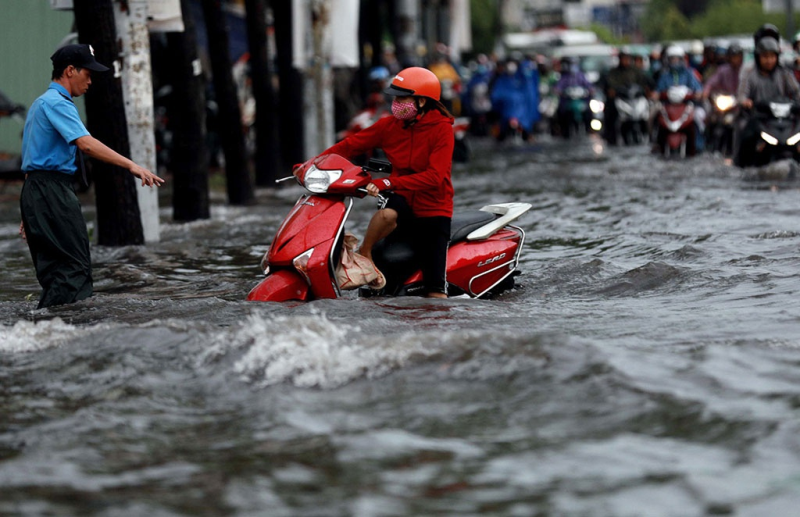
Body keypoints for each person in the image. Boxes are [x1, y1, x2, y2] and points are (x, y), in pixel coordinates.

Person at [19, 44, 164, 308]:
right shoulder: (58, 103)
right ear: (70, 71)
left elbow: (32, 160)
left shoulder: (40, 103)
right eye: (87, 72)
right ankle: (62, 330)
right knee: (73, 269)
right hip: (52, 192)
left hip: (37, 193)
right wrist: (132, 165)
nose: (90, 80)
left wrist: (29, 211)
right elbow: (85, 143)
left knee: (56, 270)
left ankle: (47, 325)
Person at [296, 67, 454, 298]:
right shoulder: (389, 126)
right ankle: (365, 252)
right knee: (386, 215)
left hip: (434, 206)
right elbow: (349, 145)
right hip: (402, 196)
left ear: (421, 101)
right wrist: (311, 164)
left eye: (402, 98)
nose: (396, 103)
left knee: (436, 292)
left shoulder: (442, 130)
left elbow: (435, 176)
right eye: (395, 98)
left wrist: (387, 184)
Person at [736, 37, 800, 166]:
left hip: (784, 118)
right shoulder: (750, 75)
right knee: (744, 131)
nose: (769, 60)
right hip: (759, 118)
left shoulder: (784, 73)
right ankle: (741, 164)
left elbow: (796, 91)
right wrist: (746, 102)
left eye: (772, 56)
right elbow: (741, 95)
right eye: (765, 56)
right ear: (758, 57)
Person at [602, 48, 652, 145]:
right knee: (610, 110)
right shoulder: (614, 72)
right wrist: (613, 90)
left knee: (648, 111)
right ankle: (610, 136)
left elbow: (644, 82)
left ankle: (650, 134)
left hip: (635, 99)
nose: (625, 60)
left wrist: (646, 90)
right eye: (623, 58)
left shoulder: (635, 71)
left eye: (627, 58)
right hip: (621, 99)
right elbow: (609, 84)